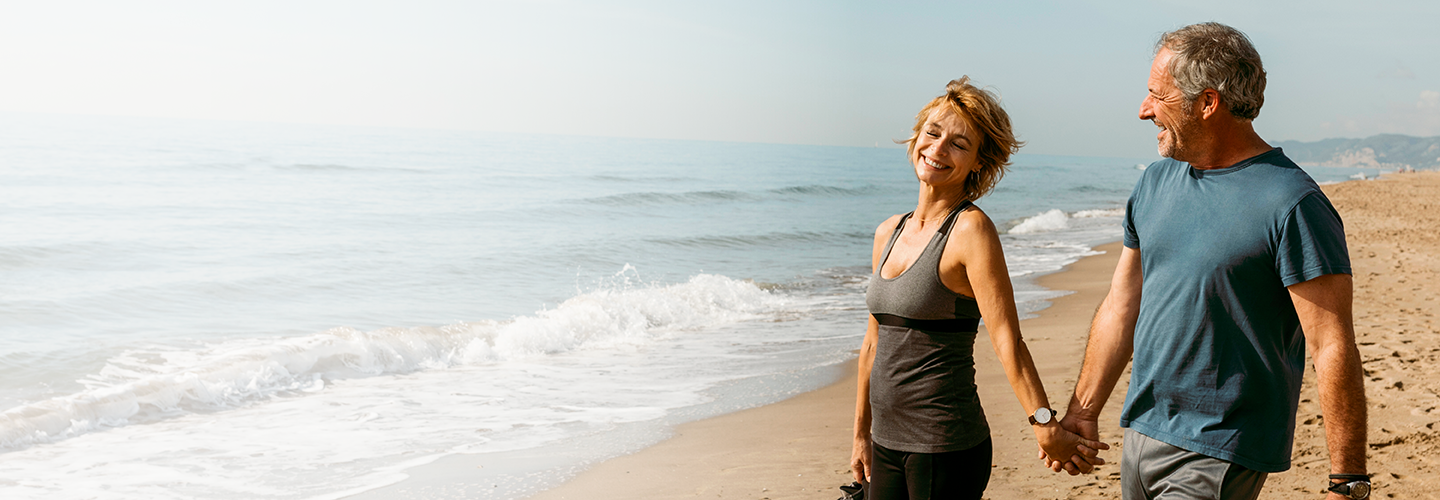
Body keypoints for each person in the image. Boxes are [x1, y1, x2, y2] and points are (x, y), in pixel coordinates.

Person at [1045, 22, 1370, 500]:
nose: (1143, 110)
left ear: (1208, 103)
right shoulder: (1155, 182)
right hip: (1141, 432)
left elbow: (1331, 345)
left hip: (1220, 447)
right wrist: (1083, 410)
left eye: (1157, 95)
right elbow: (1122, 305)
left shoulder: (1293, 203)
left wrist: (1349, 481)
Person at [851, 77, 1106, 499]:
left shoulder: (971, 230)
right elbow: (871, 345)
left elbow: (1007, 338)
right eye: (932, 133)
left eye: (958, 144)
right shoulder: (887, 232)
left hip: (943, 445)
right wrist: (861, 434)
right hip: (886, 443)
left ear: (978, 164)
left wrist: (1044, 424)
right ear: (917, 137)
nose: (937, 149)